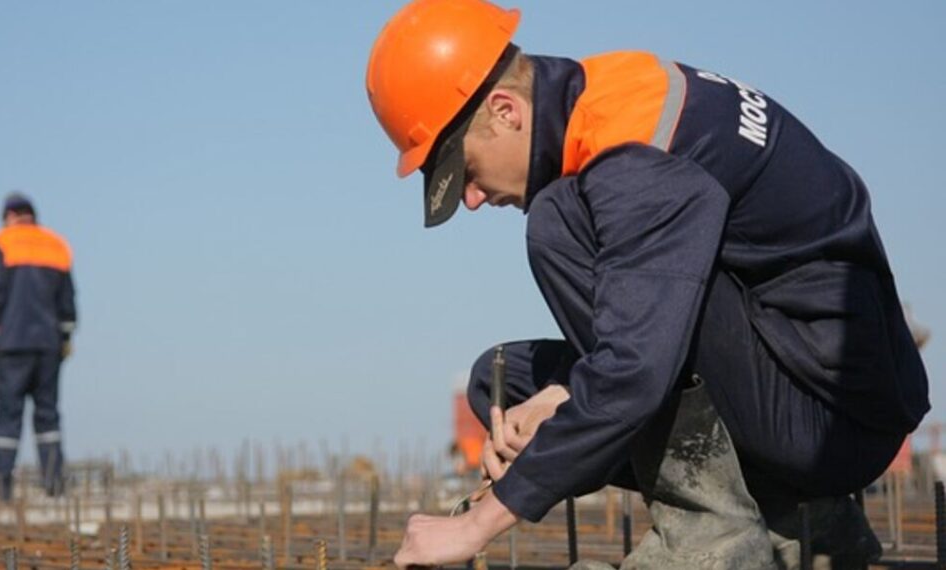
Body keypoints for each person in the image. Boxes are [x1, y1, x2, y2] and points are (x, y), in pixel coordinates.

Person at [364, 0, 930, 568]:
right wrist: (567, 392)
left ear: (506, 111)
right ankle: (800, 518)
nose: (472, 198)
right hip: (790, 373)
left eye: (466, 172)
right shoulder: (609, 92)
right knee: (500, 385)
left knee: (559, 221)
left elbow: (636, 369)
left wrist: (476, 526)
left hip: (829, 418)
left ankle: (712, 534)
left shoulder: (633, 158)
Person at [0, 192, 77, 500]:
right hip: (48, 345)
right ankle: (54, 482)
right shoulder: (56, 244)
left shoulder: (3, 243)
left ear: (9, 216)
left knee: (8, 415)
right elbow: (68, 302)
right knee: (48, 415)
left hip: (13, 345)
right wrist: (66, 338)